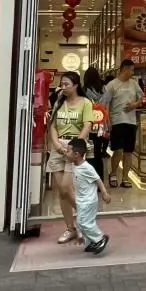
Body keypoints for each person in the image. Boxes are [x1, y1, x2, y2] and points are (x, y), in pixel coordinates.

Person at [47, 71, 94, 244]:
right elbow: (52, 126)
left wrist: (75, 146)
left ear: (76, 85)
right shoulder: (59, 102)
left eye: (67, 84)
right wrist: (57, 145)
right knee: (61, 192)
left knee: (67, 188)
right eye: (62, 84)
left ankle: (86, 221)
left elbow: (87, 125)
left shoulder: (86, 103)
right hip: (58, 148)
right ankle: (70, 228)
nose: (63, 87)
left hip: (74, 149)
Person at [104, 59, 144, 188]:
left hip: (131, 121)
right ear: (124, 69)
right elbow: (105, 105)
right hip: (117, 121)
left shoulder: (134, 84)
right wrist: (108, 122)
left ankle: (125, 178)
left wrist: (135, 104)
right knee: (118, 150)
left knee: (128, 151)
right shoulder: (111, 85)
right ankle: (113, 173)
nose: (132, 72)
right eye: (131, 70)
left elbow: (142, 97)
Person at [67, 138, 111, 255]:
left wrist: (104, 193)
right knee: (83, 223)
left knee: (83, 222)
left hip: (88, 201)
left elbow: (98, 180)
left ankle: (100, 238)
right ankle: (92, 241)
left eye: (68, 151)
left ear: (76, 154)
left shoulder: (87, 167)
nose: (66, 153)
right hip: (81, 200)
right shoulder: (75, 165)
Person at [83, 66, 107, 182]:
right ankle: (100, 179)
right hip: (101, 125)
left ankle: (90, 179)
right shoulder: (103, 91)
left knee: (89, 153)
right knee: (98, 153)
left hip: (89, 124)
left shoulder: (84, 91)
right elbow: (106, 108)